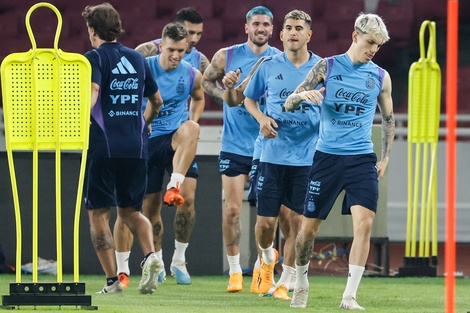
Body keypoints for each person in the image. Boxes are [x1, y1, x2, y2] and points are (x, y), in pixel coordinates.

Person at [284, 13, 395, 310]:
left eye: (379, 45)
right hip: (328, 158)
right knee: (308, 230)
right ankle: (302, 280)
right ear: (355, 35)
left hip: (361, 159)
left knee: (365, 224)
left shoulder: (381, 77)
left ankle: (349, 296)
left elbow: (388, 119)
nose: (373, 49)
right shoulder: (327, 66)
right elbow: (288, 102)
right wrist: (303, 95)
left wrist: (384, 158)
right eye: (370, 42)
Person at [227, 10, 323, 300]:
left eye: (299, 28)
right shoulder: (269, 66)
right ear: (280, 35)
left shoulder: (322, 68)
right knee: (266, 224)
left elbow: (332, 107)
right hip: (271, 155)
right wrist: (261, 120)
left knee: (297, 222)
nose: (293, 33)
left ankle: (286, 280)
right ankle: (268, 258)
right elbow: (248, 100)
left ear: (309, 35)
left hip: (306, 158)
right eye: (288, 28)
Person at [114, 8, 212, 288]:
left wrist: (189, 124)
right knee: (147, 209)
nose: (176, 56)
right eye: (171, 49)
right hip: (146, 139)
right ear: (161, 44)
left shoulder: (192, 73)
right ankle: (153, 262)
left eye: (181, 51)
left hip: (174, 139)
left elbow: (199, 97)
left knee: (188, 195)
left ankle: (179, 258)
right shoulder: (143, 65)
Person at [82, 2, 163, 295]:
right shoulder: (138, 59)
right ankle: (152, 257)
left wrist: (77, 118)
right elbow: (157, 102)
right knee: (130, 211)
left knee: (98, 214)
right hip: (137, 147)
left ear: (92, 30)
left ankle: (113, 282)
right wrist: (143, 124)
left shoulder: (92, 58)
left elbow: (93, 92)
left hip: (104, 146)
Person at [202, 5, 280, 293]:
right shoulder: (227, 55)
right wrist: (226, 95)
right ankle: (235, 272)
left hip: (268, 145)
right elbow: (205, 80)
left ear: (273, 29)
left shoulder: (279, 59)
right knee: (233, 210)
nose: (261, 28)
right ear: (246, 27)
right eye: (256, 23)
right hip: (234, 144)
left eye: (266, 24)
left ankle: (264, 265)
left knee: (268, 215)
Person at [135, 7, 210, 75]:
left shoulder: (200, 61)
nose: (194, 39)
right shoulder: (147, 51)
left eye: (199, 33)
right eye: (190, 32)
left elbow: (212, 86)